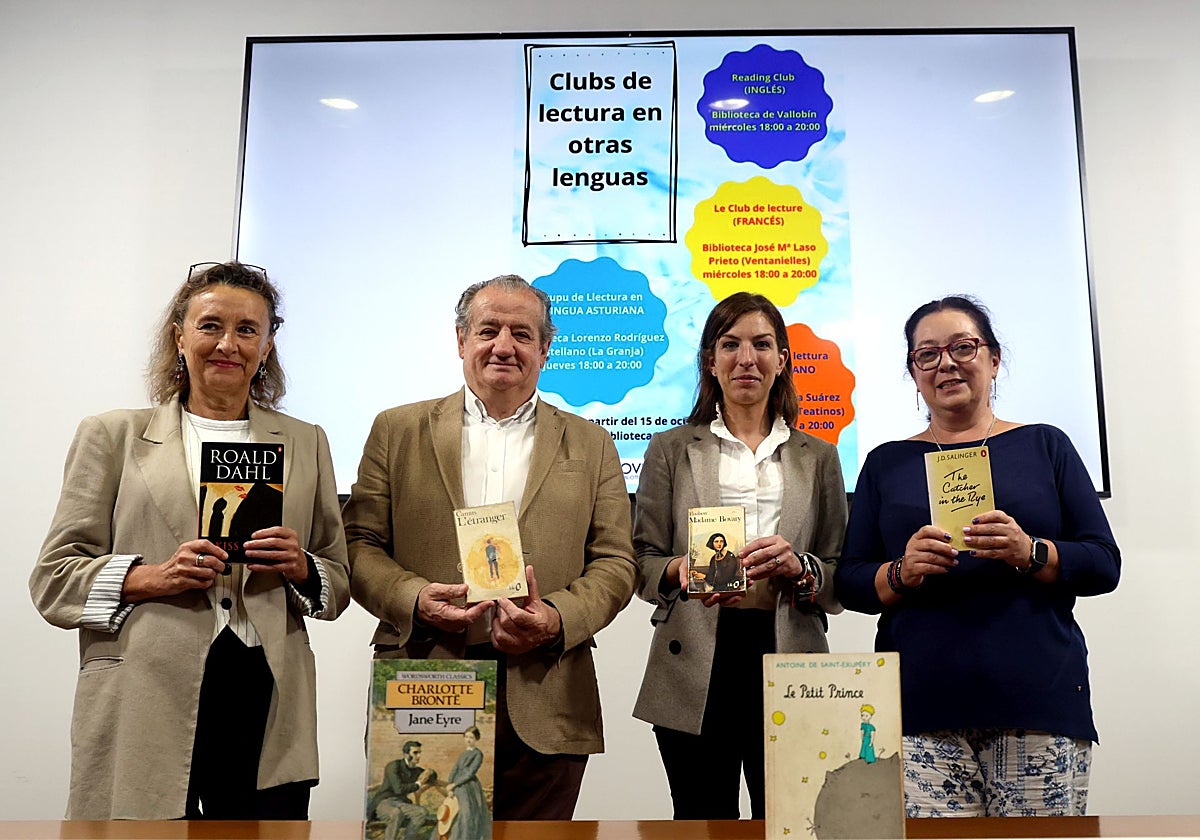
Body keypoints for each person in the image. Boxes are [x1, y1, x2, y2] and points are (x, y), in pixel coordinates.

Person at [29, 261, 351, 820]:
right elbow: (53, 579)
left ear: (268, 345)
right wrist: (151, 576)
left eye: (248, 329)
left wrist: (301, 567)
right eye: (210, 326)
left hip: (266, 688)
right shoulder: (112, 435)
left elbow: (339, 578)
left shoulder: (305, 440)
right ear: (178, 336)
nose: (228, 343)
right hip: (144, 689)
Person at [343, 273, 638, 820]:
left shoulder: (592, 443)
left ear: (545, 349)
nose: (504, 346)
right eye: (488, 330)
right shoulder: (397, 429)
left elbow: (617, 561)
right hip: (425, 677)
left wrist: (554, 616)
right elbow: (358, 543)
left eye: (523, 334)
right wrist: (412, 597)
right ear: (461, 341)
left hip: (547, 687)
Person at [834, 295, 1120, 818]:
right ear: (913, 372)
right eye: (927, 354)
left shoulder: (1044, 445)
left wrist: (1030, 551)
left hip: (1038, 700)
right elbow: (850, 581)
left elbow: (1103, 563)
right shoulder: (887, 463)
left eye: (963, 347)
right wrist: (901, 570)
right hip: (918, 707)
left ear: (993, 359)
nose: (946, 363)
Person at [632, 292, 847, 819]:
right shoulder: (670, 449)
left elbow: (840, 574)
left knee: (794, 822)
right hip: (696, 657)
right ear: (710, 359)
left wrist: (802, 568)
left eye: (761, 345)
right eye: (730, 344)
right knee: (701, 821)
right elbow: (640, 561)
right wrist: (682, 569)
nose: (746, 358)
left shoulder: (819, 457)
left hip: (789, 653)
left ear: (783, 359)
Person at [368, 741, 438, 840]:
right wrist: (418, 784)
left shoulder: (416, 770)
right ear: (406, 754)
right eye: (415, 753)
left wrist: (429, 772)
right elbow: (398, 789)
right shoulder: (393, 766)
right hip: (384, 802)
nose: (419, 756)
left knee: (421, 812)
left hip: (401, 803)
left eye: (420, 753)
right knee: (396, 813)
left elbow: (432, 778)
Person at [445, 727, 491, 840]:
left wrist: (454, 784)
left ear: (476, 739)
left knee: (466, 814)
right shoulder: (463, 754)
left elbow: (470, 773)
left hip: (469, 787)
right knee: (454, 812)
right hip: (457, 786)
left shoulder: (478, 754)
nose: (468, 740)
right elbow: (455, 769)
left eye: (471, 737)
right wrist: (449, 786)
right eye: (466, 737)